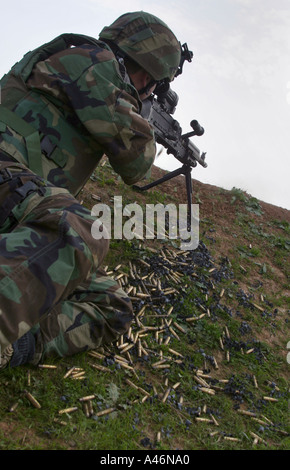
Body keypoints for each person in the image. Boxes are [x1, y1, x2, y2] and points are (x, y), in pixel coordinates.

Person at [0, 11, 182, 369]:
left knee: (110, 304)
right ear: (146, 74)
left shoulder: (85, 63)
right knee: (82, 229)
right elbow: (137, 163)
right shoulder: (94, 64)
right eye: (153, 84)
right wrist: (144, 117)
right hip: (7, 178)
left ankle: (15, 346)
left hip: (16, 200)